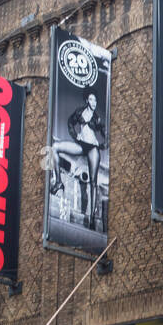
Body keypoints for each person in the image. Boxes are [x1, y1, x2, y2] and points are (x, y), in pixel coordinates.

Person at [51, 92, 106, 230]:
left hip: (93, 148)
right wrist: (76, 136)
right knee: (55, 147)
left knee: (93, 182)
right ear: (87, 100)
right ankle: (59, 182)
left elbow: (104, 131)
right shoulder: (79, 112)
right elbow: (70, 122)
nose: (94, 103)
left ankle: (92, 218)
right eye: (92, 100)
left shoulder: (97, 118)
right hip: (81, 145)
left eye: (96, 100)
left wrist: (103, 144)